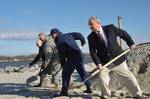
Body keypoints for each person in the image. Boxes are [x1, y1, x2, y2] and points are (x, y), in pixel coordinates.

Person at [87, 16, 143, 99]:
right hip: (104, 62)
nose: (90, 27)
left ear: (98, 23)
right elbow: (92, 52)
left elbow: (124, 34)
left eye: (91, 24)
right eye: (89, 25)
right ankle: (106, 95)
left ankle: (137, 94)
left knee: (128, 76)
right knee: (102, 78)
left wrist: (131, 43)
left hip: (117, 58)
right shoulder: (90, 37)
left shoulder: (110, 28)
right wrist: (98, 63)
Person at [50, 28, 92, 96]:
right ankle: (89, 87)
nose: (51, 37)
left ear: (55, 34)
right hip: (79, 55)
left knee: (65, 74)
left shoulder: (59, 42)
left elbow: (62, 55)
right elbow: (79, 35)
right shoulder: (68, 35)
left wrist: (63, 65)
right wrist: (83, 42)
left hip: (72, 58)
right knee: (82, 72)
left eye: (52, 35)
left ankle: (64, 92)